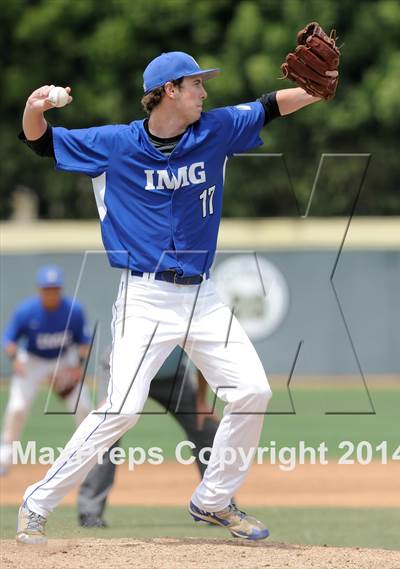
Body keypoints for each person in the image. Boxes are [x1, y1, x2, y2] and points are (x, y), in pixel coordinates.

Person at [16, 51, 323, 544]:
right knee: (121, 410)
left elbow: (268, 106)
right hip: (145, 298)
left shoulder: (215, 129)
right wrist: (35, 109)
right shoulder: (115, 145)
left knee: (253, 391)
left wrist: (318, 88)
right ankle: (36, 502)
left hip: (202, 296)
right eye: (195, 83)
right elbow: (41, 144)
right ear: (169, 91)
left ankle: (213, 500)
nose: (205, 91)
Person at [77, 345, 219, 528]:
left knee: (206, 427)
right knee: (107, 431)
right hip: (126, 372)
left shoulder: (193, 320)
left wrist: (201, 402)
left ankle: (217, 505)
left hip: (171, 377)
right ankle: (90, 511)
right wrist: (112, 396)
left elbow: (204, 361)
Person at [0, 265, 92, 475]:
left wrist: (78, 365)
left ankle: (89, 454)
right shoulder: (27, 311)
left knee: (83, 405)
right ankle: (5, 457)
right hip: (32, 361)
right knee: (17, 408)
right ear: (40, 290)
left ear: (60, 289)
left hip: (63, 360)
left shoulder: (73, 311)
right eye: (47, 288)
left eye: (55, 288)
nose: (51, 292)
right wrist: (15, 358)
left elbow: (84, 341)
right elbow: (9, 340)